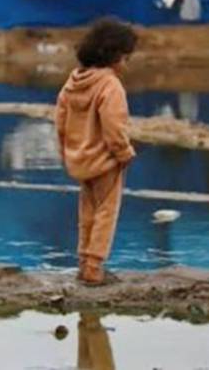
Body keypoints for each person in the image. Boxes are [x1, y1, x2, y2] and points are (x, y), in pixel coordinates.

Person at [55, 18, 137, 286]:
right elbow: (114, 128)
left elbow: (61, 122)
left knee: (86, 213)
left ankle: (83, 263)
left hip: (79, 160)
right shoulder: (110, 86)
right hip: (105, 162)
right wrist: (124, 153)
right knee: (105, 214)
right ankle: (94, 268)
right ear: (113, 56)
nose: (126, 65)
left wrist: (66, 153)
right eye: (125, 58)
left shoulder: (73, 82)